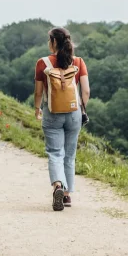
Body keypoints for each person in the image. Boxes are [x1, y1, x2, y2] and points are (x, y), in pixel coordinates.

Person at [34, 27, 90, 211]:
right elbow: (86, 91)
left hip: (52, 113)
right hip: (74, 113)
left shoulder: (42, 63)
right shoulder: (79, 62)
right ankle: (66, 196)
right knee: (69, 154)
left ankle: (58, 185)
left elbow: (39, 91)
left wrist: (37, 109)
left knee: (55, 152)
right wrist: (82, 108)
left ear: (52, 42)